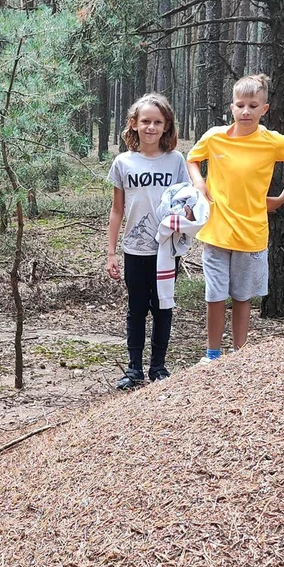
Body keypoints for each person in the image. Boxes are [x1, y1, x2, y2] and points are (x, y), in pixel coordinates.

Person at [186, 74, 284, 363]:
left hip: (251, 232)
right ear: (231, 107)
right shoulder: (214, 137)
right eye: (240, 105)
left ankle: (239, 355)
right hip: (216, 230)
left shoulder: (272, 141)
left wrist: (282, 197)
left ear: (264, 109)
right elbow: (192, 158)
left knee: (242, 297)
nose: (246, 111)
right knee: (215, 295)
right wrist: (199, 184)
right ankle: (212, 354)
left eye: (253, 106)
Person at [105, 94, 189, 389]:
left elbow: (186, 201)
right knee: (137, 307)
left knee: (162, 306)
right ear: (134, 124)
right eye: (145, 122)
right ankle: (134, 368)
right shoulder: (123, 163)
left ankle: (159, 367)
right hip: (135, 248)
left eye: (157, 122)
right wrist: (111, 252)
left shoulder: (175, 161)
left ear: (167, 126)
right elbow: (118, 210)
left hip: (166, 250)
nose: (151, 127)